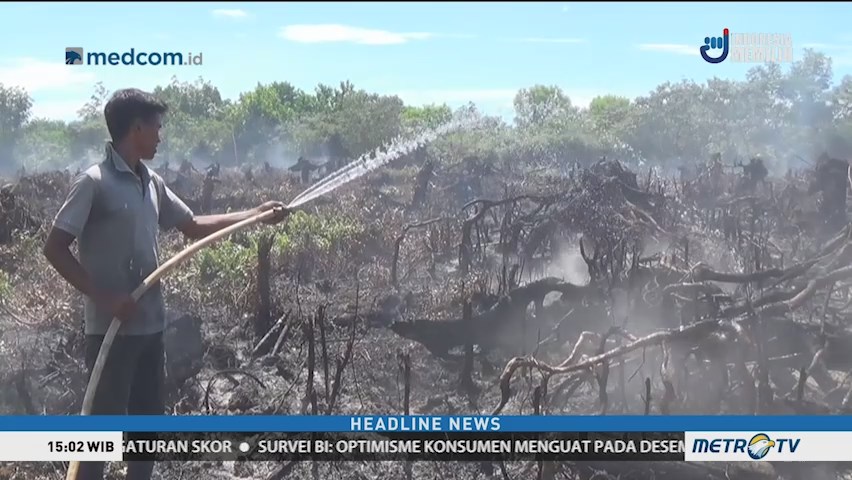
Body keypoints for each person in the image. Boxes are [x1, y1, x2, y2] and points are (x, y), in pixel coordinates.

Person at [42, 88, 290, 480]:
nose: (160, 136)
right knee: (99, 432)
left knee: (145, 427)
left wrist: (254, 214)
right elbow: (54, 248)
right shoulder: (94, 182)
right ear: (136, 127)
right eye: (156, 128)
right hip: (111, 331)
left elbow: (191, 226)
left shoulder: (151, 182)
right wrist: (106, 299)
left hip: (150, 327)